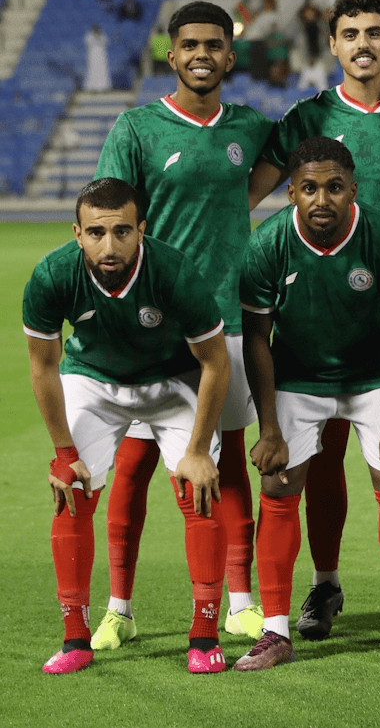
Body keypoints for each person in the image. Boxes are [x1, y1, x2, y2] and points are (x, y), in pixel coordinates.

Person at [92, 1, 279, 652]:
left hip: (227, 318)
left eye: (214, 44)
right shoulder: (137, 127)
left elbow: (289, 151)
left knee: (227, 459)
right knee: (135, 462)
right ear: (171, 55)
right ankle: (119, 608)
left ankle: (240, 603)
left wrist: (238, 200)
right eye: (190, 45)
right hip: (156, 323)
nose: (202, 54)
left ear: (231, 55)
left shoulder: (250, 126)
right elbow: (108, 220)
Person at [267, 0, 380, 641]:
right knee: (323, 455)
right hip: (318, 312)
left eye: (374, 32)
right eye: (350, 34)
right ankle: (325, 584)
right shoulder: (307, 116)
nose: (363, 43)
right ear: (333, 45)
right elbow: (245, 192)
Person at [234, 137, 380, 671]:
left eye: (335, 187)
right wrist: (268, 428)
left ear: (353, 190)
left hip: (372, 377)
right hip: (298, 377)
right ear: (291, 193)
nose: (322, 200)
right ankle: (275, 632)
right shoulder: (268, 243)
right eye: (309, 188)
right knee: (277, 486)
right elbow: (257, 339)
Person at [25, 178, 231, 675]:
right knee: (72, 487)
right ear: (78, 233)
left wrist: (198, 450)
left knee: (198, 488)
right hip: (93, 381)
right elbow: (43, 366)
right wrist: (63, 452)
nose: (109, 245)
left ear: (142, 229)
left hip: (171, 381)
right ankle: (75, 640)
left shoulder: (173, 271)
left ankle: (204, 636)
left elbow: (215, 362)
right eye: (96, 233)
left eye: (122, 231)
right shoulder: (52, 275)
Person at [84, 25, 111, 92]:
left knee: (102, 71)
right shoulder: (89, 36)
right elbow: (88, 43)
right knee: (92, 71)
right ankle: (92, 87)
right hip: (93, 57)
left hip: (101, 57)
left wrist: (99, 37)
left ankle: (103, 86)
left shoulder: (102, 36)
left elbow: (106, 42)